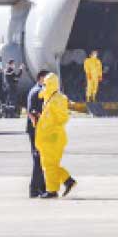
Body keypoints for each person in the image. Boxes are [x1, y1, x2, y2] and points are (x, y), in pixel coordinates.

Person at [36, 73, 77, 198]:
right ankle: (67, 180)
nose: (44, 87)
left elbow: (61, 118)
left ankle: (52, 190)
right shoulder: (51, 97)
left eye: (46, 84)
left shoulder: (56, 100)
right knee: (50, 164)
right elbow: (41, 94)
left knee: (49, 164)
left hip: (53, 137)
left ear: (51, 85)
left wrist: (51, 131)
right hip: (50, 136)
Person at [26, 70, 48, 198]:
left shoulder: (40, 91)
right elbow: (30, 112)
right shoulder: (36, 92)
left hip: (38, 129)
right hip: (35, 131)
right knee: (38, 158)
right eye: (46, 79)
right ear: (40, 78)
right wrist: (38, 126)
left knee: (39, 159)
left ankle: (38, 188)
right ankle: (36, 188)